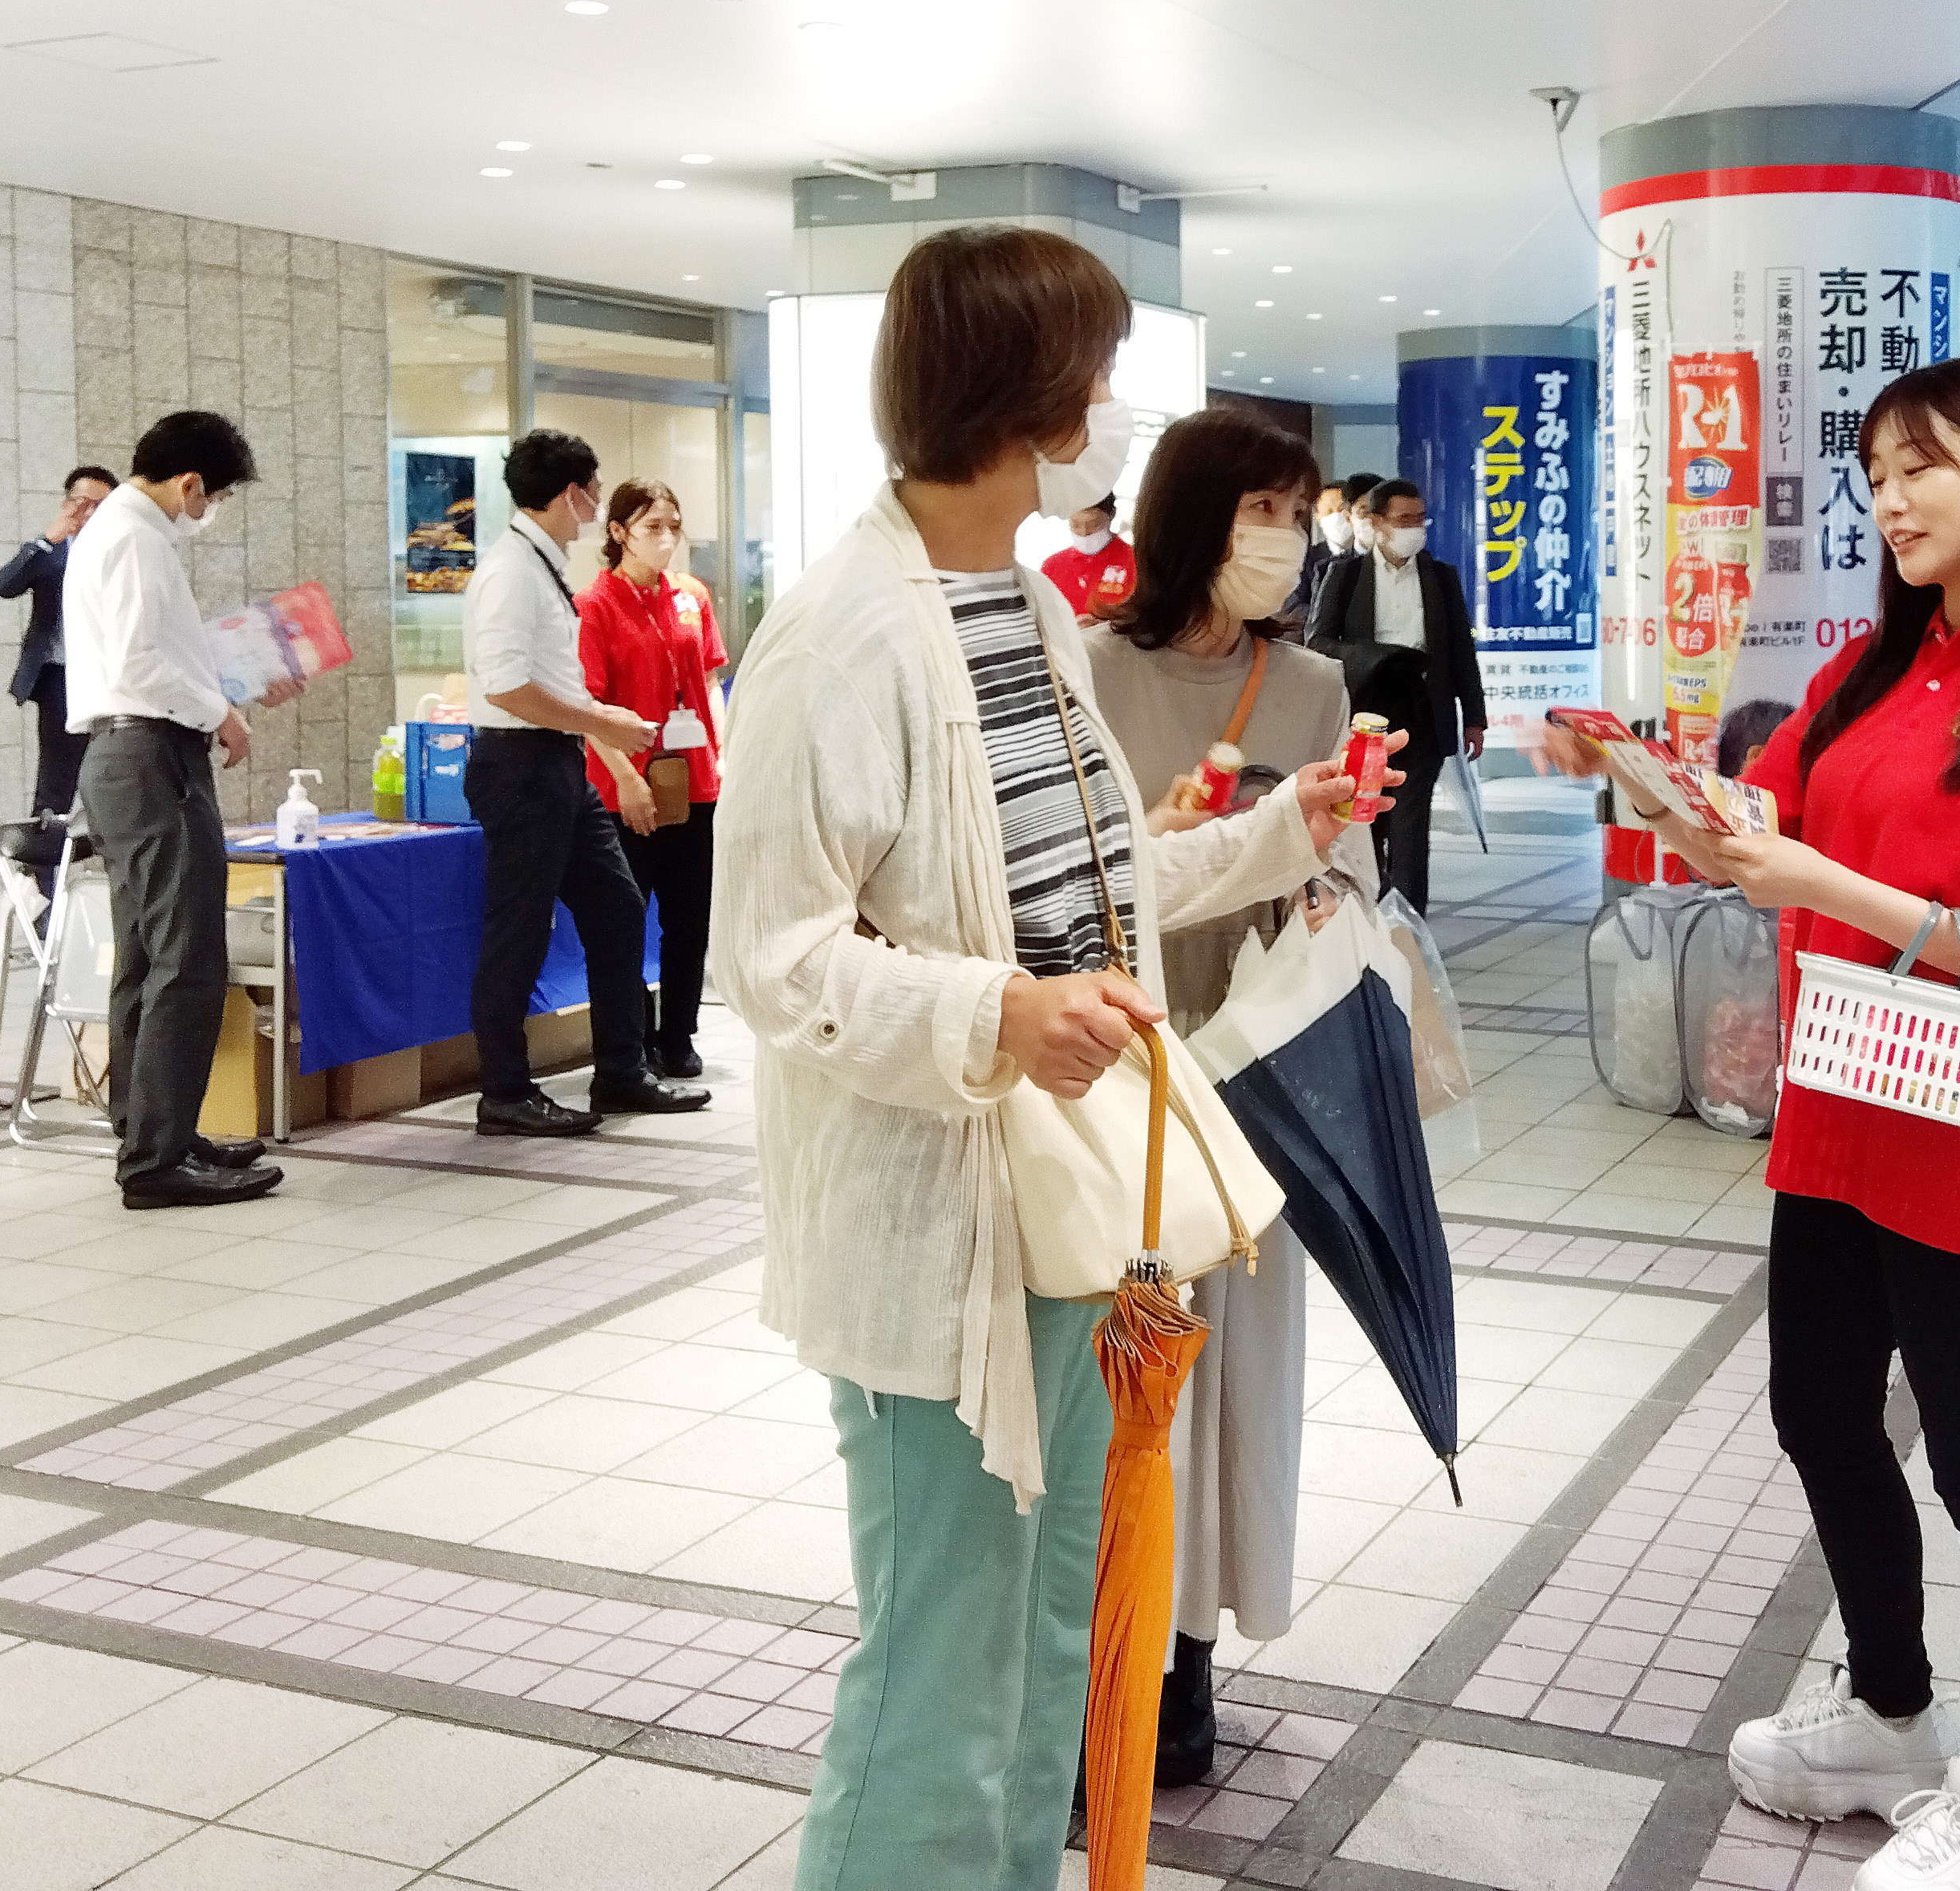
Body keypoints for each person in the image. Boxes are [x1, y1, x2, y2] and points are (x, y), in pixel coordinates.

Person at [714, 223, 1386, 1891]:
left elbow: (1086, 904)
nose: (1110, 396)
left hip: (1070, 1207)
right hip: (940, 1227)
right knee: (942, 1668)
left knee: (1050, 1638)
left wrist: (1283, 829)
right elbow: (774, 960)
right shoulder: (839, 634)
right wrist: (989, 1020)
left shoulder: (1015, 601)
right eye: (1092, 362)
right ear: (1028, 392)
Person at [1658, 356, 1960, 1891]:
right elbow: (1770, 819)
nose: (1895, 496)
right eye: (1879, 470)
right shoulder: (1877, 667)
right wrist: (1665, 791)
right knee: (1817, 1412)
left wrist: (1829, 893)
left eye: (1926, 464)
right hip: (1844, 1110)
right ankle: (1889, 1708)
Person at [1085, 404, 1370, 1785]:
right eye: (1262, 508)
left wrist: (1314, 865)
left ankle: (1188, 1655)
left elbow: (1344, 880)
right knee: (1121, 1371)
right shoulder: (1082, 671)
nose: (1284, 537)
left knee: (1237, 1378)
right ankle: (1108, 1653)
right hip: (1109, 1076)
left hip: (1250, 1072)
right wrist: (1170, 845)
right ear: (1194, 516)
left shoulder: (1311, 688)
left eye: (1296, 512)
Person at [67, 411, 294, 1207]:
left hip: (132, 755)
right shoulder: (132, 537)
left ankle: (156, 1133)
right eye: (216, 496)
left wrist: (222, 687)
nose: (212, 511)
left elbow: (158, 653)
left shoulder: (125, 534)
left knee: (146, 956)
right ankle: (157, 1161)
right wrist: (218, 713)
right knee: (186, 957)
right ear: (189, 483)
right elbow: (138, 664)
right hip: (151, 754)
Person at [461, 430, 709, 1138]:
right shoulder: (512, 570)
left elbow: (542, 680)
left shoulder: (540, 566)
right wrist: (600, 719)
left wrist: (591, 724)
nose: (598, 505)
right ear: (572, 494)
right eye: (595, 491)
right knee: (518, 930)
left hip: (558, 765)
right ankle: (504, 1093)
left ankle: (621, 1072)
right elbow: (506, 686)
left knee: (619, 908)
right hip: (521, 766)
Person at [578, 479, 725, 1080]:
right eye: (651, 528)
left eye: (673, 527)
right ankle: (629, 1038)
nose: (666, 540)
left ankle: (678, 1035)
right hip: (626, 788)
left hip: (694, 783)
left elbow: (711, 680)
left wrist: (723, 755)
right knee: (624, 921)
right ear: (618, 534)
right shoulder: (594, 604)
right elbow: (584, 706)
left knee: (689, 919)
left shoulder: (691, 596)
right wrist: (627, 780)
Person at [1305, 476, 1485, 913]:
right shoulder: (1344, 575)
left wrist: (1475, 716)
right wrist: (1378, 657)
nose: (1415, 528)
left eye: (1420, 519)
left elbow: (1461, 648)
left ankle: (1408, 925)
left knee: (1410, 822)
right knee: (1366, 821)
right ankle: (1368, 909)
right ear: (1378, 522)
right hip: (1368, 711)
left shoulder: (1441, 578)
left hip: (1424, 708)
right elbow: (1318, 642)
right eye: (1404, 519)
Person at [0, 465, 119, 815]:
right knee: (57, 779)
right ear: (66, 505)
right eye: (82, 503)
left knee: (115, 775)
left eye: (100, 506)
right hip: (60, 676)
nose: (90, 513)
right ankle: (42, 866)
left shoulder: (124, 553)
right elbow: (4, 585)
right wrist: (50, 538)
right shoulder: (50, 551)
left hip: (113, 679)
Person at [1292, 470, 1375, 627]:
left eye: (1340, 510)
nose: (1337, 517)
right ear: (1317, 516)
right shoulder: (1304, 559)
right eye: (1329, 511)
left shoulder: (1370, 556)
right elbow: (1293, 608)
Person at [1040, 493, 1137, 619]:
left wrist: (1104, 624)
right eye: (1076, 525)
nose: (1084, 532)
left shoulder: (1134, 560)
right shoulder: (1052, 566)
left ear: (1111, 515)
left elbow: (1145, 616)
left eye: (1094, 524)